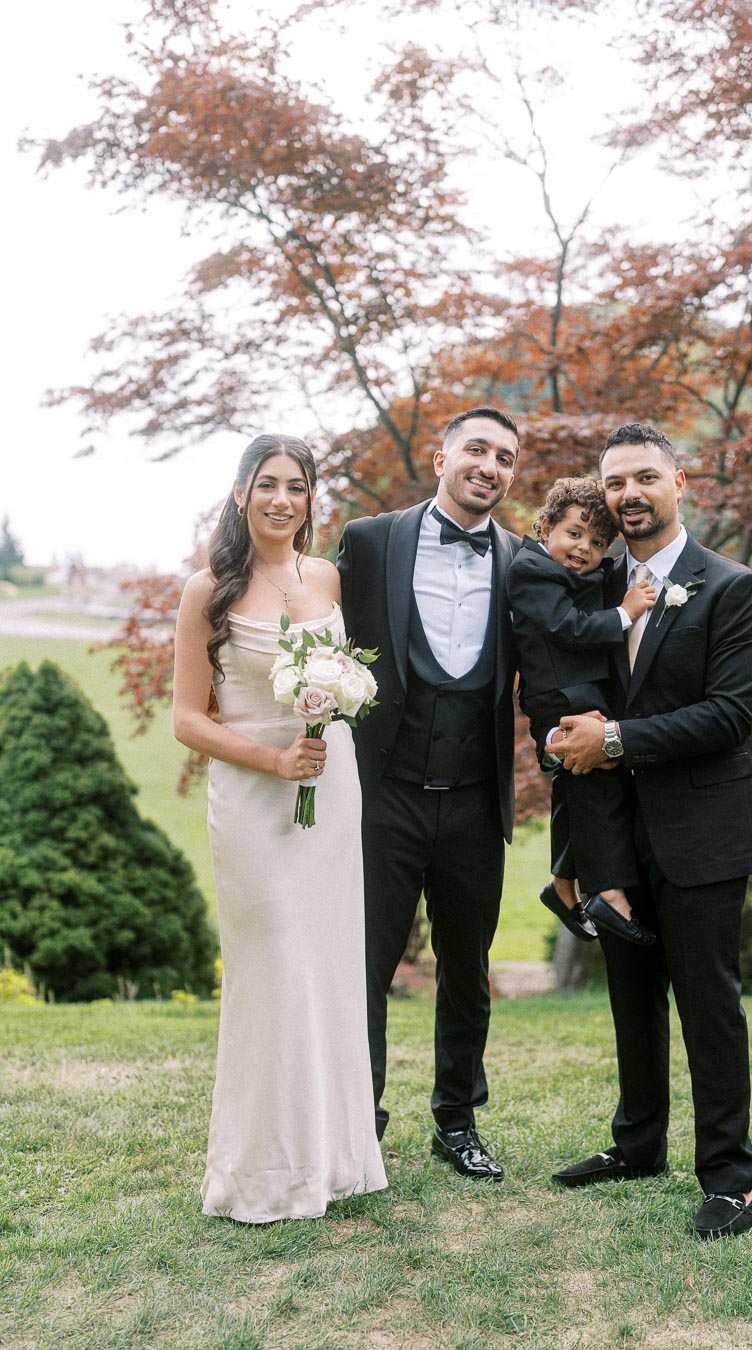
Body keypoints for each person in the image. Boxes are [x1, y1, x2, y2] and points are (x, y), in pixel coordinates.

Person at [550, 423, 752, 1240]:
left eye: (645, 477)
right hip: (613, 835)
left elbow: (729, 715)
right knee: (630, 1000)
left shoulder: (732, 587)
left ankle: (732, 1180)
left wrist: (613, 740)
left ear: (680, 482)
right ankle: (638, 1145)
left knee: (709, 1006)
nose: (629, 495)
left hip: (702, 831)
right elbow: (563, 691)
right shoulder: (591, 587)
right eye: (615, 483)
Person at [173, 433, 387, 1222]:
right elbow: (187, 720)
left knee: (326, 967)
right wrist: (272, 762)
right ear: (240, 493)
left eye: (296, 486)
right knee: (272, 969)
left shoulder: (325, 577)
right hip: (253, 796)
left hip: (330, 790)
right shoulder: (207, 590)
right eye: (267, 484)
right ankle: (261, 1174)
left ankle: (332, 1161)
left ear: (309, 499)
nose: (281, 499)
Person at [337, 407, 520, 1180]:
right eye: (477, 449)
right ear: (442, 458)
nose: (490, 466)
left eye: (505, 458)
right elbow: (320, 636)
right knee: (366, 967)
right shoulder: (369, 540)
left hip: (476, 799)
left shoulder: (523, 559)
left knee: (467, 971)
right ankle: (358, 1123)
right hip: (384, 796)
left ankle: (457, 1121)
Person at [507, 476, 657, 946]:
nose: (583, 549)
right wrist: (626, 613)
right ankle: (608, 891)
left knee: (577, 784)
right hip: (560, 696)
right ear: (545, 526)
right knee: (599, 780)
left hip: (577, 691)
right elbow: (566, 627)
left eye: (596, 543)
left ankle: (561, 883)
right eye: (573, 534)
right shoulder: (530, 570)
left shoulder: (571, 571)